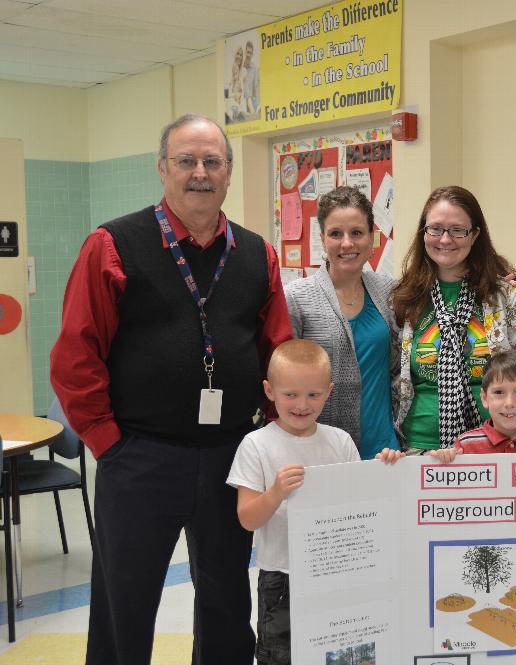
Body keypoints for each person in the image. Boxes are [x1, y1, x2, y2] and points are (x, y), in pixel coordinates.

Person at [50, 113, 292, 665]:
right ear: (162, 169)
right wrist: (110, 443)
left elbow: (277, 352)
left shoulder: (257, 253)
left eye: (213, 161)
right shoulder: (112, 244)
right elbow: (74, 356)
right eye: (186, 161)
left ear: (230, 172)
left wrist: (271, 435)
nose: (200, 173)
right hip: (140, 455)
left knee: (227, 604)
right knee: (124, 605)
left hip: (232, 455)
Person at [227, 340, 372, 665]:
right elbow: (247, 519)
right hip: (282, 575)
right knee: (280, 656)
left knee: (343, 656)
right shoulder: (256, 444)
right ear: (269, 390)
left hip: (339, 573)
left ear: (329, 391)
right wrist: (275, 492)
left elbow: (362, 508)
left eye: (313, 394)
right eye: (290, 394)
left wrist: (387, 467)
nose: (302, 404)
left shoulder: (340, 441)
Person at [392, 186, 516, 452]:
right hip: (418, 448)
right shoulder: (405, 298)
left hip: (495, 448)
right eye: (435, 229)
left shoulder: (507, 297)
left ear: (474, 235)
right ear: (423, 233)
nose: (445, 239)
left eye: (457, 230)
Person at [284, 186, 399, 459]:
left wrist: (504, 279)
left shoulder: (389, 291)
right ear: (323, 239)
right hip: (322, 452)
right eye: (336, 234)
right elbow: (283, 381)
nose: (347, 243)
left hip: (386, 450)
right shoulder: (297, 298)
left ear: (372, 237)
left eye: (357, 233)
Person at [242, 40, 260, 119]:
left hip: (252, 101)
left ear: (252, 54)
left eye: (250, 53)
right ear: (245, 52)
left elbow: (255, 88)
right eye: (247, 52)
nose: (249, 55)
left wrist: (254, 105)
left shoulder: (255, 68)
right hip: (242, 101)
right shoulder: (240, 66)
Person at [227, 46, 245, 123]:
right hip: (233, 104)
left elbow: (242, 93)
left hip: (239, 104)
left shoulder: (241, 77)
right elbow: (228, 96)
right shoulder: (231, 82)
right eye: (238, 54)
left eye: (241, 55)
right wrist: (234, 96)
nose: (239, 57)